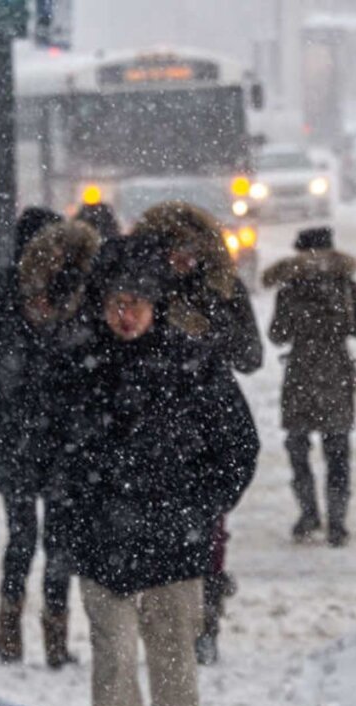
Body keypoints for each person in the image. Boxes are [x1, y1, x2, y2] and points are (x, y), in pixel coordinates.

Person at [56, 234, 258, 706]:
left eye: (136, 304)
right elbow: (56, 453)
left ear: (156, 304)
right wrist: (76, 512)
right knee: (116, 659)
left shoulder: (193, 364)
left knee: (173, 662)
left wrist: (203, 504)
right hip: (103, 539)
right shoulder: (82, 366)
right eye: (115, 304)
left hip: (175, 538)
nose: (125, 316)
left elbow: (239, 445)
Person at [133, 201, 262, 665]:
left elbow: (250, 355)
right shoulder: (141, 291)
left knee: (207, 529)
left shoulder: (220, 290)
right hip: (150, 416)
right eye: (173, 250)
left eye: (190, 249)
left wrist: (208, 330)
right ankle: (163, 621)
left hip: (207, 418)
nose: (182, 259)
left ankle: (204, 620)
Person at [0, 207, 93, 668]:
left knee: (51, 536)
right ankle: (19, 630)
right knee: (27, 535)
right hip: (31, 429)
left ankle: (48, 632)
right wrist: (27, 324)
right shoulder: (5, 287)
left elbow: (85, 350)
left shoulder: (72, 287)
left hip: (45, 429)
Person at [264, 227, 356, 547]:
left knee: (298, 448)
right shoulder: (345, 286)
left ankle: (309, 514)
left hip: (300, 375)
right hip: (336, 373)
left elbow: (277, 335)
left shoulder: (289, 289)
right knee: (337, 450)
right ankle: (338, 523)